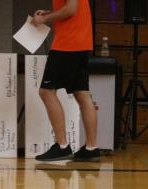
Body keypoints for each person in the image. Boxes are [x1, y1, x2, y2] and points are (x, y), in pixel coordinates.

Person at [32, 0, 100, 162]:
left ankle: (62, 146)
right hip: (82, 42)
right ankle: (91, 148)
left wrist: (45, 19)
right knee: (82, 93)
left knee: (46, 91)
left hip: (68, 43)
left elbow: (70, 9)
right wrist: (49, 13)